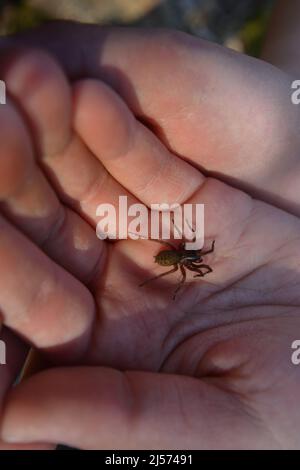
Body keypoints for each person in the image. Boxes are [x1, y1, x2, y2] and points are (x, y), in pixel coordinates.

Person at [0, 0, 300, 449]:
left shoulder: (185, 257)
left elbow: (183, 259)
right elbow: (179, 259)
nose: (195, 262)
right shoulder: (181, 257)